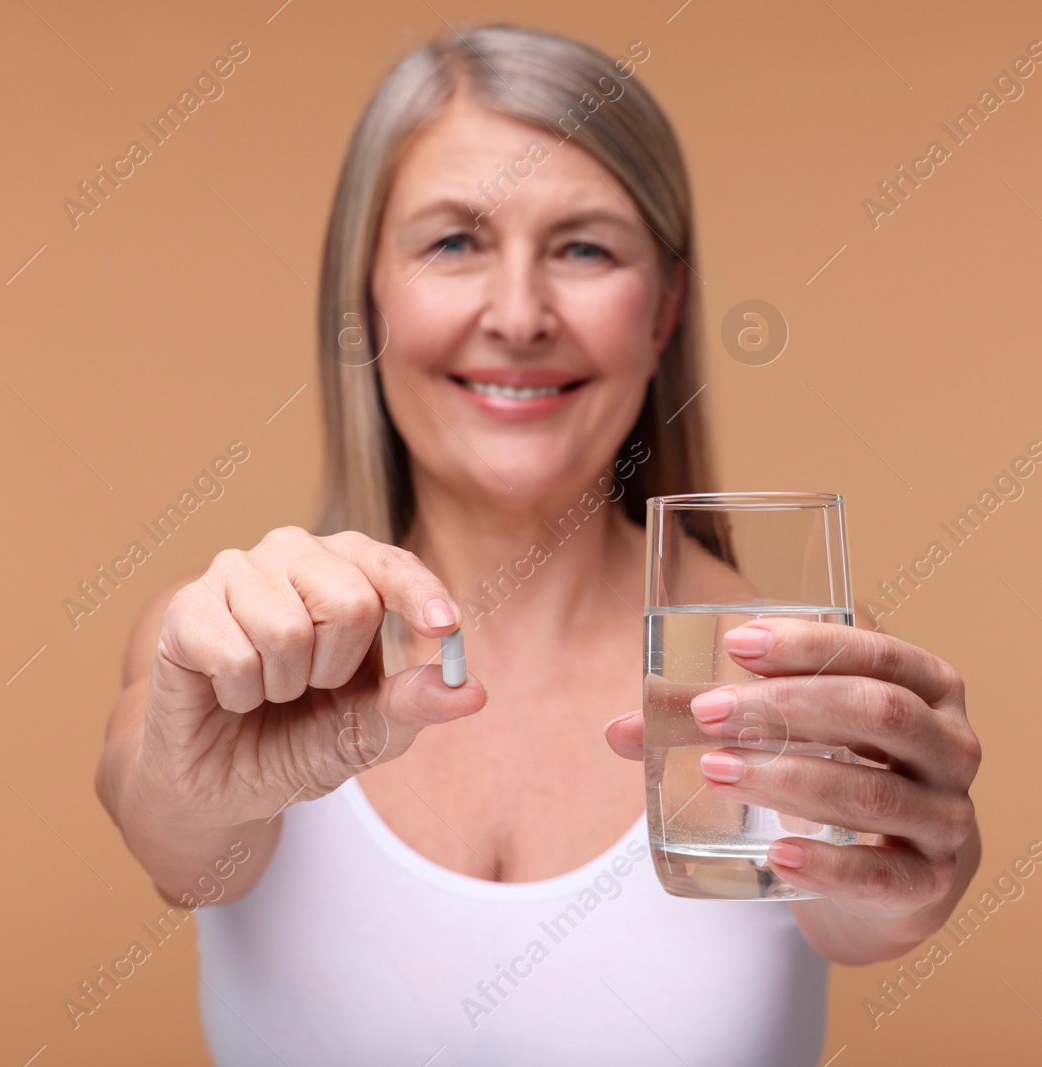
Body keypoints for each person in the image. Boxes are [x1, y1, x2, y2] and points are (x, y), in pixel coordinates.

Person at [95, 23, 981, 1066]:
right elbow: (167, 828)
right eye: (454, 242)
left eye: (584, 248)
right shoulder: (237, 648)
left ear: (665, 311)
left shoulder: (778, 662)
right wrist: (178, 769)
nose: (518, 315)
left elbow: (858, 912)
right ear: (366, 295)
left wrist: (904, 874)